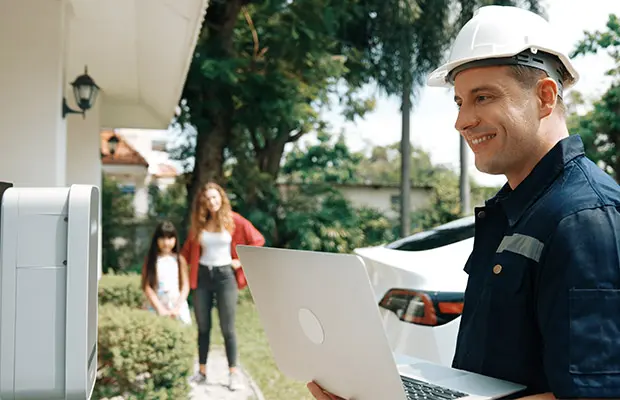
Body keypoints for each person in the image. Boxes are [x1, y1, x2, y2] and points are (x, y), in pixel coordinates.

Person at [308, 5, 620, 400]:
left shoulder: (584, 219)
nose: (462, 121)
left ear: (544, 96)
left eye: (483, 97)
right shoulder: (514, 211)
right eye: (459, 102)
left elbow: (597, 393)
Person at [181, 182, 265, 391]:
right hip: (202, 277)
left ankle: (233, 373)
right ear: (203, 202)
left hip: (225, 277)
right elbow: (185, 252)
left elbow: (258, 240)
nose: (212, 202)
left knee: (227, 327)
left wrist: (239, 261)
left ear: (222, 198)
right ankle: (201, 371)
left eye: (215, 198)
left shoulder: (234, 220)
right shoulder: (199, 223)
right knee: (203, 327)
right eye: (207, 199)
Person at [141, 220, 192, 325]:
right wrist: (160, 309)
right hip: (156, 307)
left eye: (170, 238)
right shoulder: (151, 260)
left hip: (177, 306)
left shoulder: (179, 260)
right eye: (162, 238)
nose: (166, 242)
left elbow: (185, 286)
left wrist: (177, 308)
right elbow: (147, 286)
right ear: (156, 240)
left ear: (175, 239)